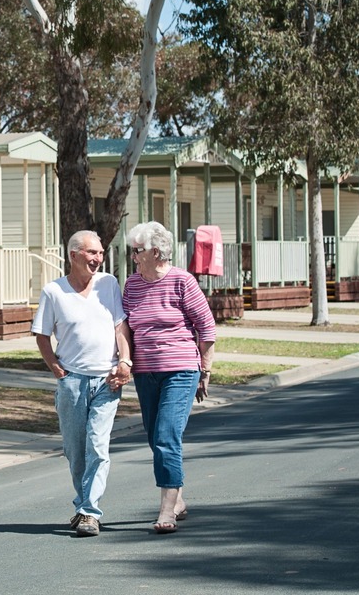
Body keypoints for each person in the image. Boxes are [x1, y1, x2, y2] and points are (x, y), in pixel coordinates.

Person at [31, 230, 132, 537]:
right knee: (76, 451)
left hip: (107, 379)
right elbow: (41, 333)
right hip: (72, 381)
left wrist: (124, 361)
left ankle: (89, 511)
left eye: (100, 253)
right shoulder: (54, 292)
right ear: (73, 255)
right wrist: (56, 368)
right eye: (91, 253)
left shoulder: (109, 284)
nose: (97, 259)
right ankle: (83, 503)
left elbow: (120, 326)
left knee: (98, 447)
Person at [120, 221, 216, 535]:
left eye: (138, 250)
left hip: (181, 369)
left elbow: (206, 327)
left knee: (166, 436)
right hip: (145, 372)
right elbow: (126, 327)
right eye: (132, 250)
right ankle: (179, 498)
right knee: (154, 437)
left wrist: (205, 369)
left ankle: (166, 509)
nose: (133, 256)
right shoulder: (132, 285)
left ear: (157, 252)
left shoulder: (182, 282)